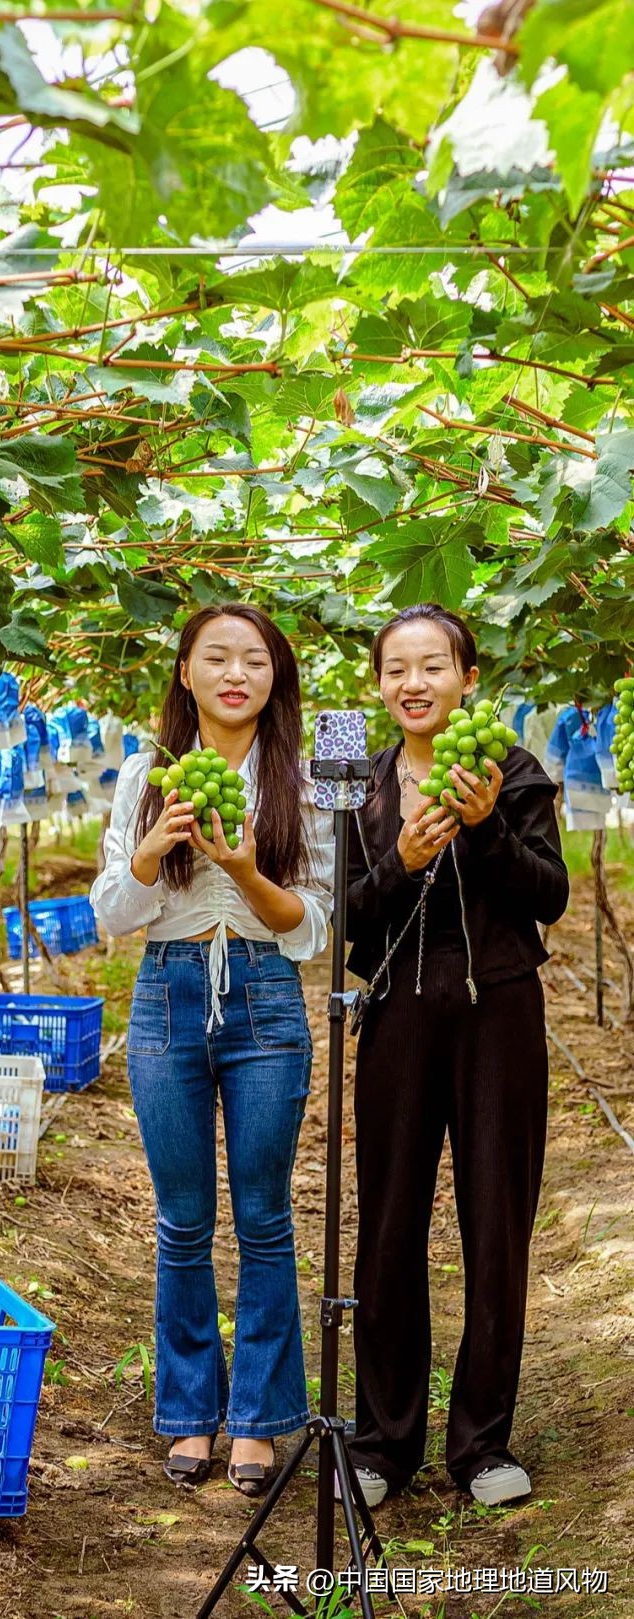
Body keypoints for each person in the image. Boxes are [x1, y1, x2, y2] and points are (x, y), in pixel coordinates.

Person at [89, 604, 334, 1496]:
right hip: (166, 996)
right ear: (185, 671)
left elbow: (312, 924)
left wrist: (240, 869)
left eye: (256, 660)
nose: (237, 673)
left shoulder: (302, 780)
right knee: (183, 1219)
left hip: (265, 996)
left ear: (277, 678)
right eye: (217, 657)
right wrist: (153, 850)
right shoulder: (147, 772)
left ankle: (261, 1420)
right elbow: (112, 913)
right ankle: (191, 1411)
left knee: (265, 1217)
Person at [340, 603, 569, 1512]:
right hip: (395, 1010)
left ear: (468, 678)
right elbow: (336, 917)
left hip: (498, 1012)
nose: (414, 684)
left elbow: (547, 897)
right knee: (388, 1223)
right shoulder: (346, 762)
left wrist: (484, 828)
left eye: (433, 666)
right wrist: (396, 858)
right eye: (396, 668)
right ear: (378, 683)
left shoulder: (511, 765)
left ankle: (481, 1443)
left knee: (496, 1221)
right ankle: (381, 1443)